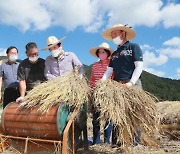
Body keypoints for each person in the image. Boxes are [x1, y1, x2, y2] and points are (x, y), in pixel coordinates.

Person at [102, 24, 143, 145]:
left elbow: (139, 66)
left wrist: (131, 82)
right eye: (112, 35)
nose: (113, 36)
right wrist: (102, 83)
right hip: (117, 86)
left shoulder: (133, 47)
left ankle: (135, 144)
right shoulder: (114, 54)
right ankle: (116, 144)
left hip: (133, 85)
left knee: (135, 115)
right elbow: (109, 71)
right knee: (116, 116)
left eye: (115, 34)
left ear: (123, 34)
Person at [89, 42, 114, 144]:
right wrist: (89, 89)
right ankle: (96, 141)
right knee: (96, 118)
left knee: (108, 118)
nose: (101, 54)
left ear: (107, 53)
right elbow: (92, 79)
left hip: (108, 94)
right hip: (96, 93)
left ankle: (107, 141)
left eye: (103, 52)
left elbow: (113, 78)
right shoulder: (95, 65)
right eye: (99, 52)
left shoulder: (112, 64)